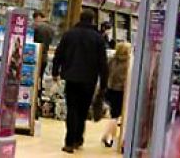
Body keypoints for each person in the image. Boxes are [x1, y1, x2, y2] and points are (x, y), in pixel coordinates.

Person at [52, 9, 108, 154]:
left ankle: (69, 142)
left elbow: (58, 54)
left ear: (80, 18)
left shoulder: (69, 34)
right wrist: (103, 83)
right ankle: (78, 138)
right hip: (89, 79)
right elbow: (103, 62)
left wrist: (55, 72)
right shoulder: (98, 38)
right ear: (93, 20)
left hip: (71, 77)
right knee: (83, 110)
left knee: (72, 109)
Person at [101, 42, 131, 148]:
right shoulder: (128, 63)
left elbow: (106, 73)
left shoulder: (112, 60)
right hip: (122, 91)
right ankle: (108, 136)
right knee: (117, 116)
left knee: (114, 115)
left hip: (111, 89)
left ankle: (110, 136)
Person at [32, 11, 54, 94]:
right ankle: (39, 93)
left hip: (37, 56)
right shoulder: (50, 27)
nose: (35, 21)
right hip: (44, 56)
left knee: (35, 77)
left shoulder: (38, 27)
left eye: (35, 19)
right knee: (40, 77)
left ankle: (35, 95)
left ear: (38, 17)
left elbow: (35, 41)